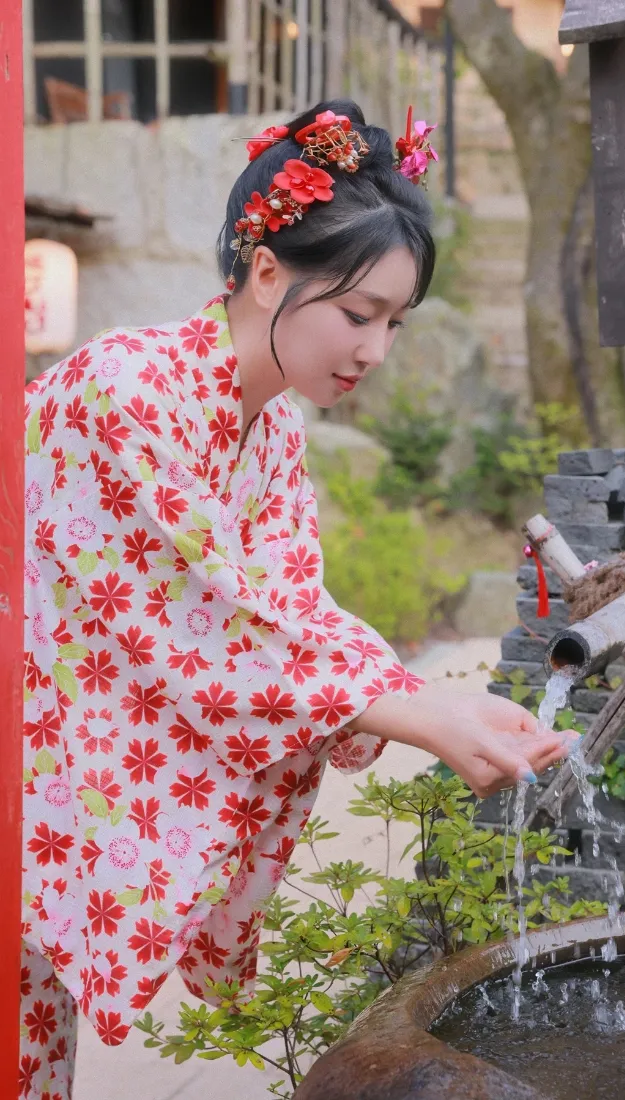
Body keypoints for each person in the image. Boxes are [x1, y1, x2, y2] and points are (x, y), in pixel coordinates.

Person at [20, 99, 575, 1099]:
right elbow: (201, 626)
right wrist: (414, 709)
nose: (374, 348)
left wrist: (425, 700)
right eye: (358, 313)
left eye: (394, 323)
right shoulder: (125, 388)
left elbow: (283, 610)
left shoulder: (264, 424)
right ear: (263, 270)